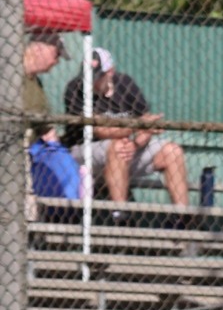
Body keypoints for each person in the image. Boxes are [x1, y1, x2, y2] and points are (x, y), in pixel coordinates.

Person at [62, 47, 191, 208]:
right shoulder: (75, 88)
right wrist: (139, 126)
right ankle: (120, 215)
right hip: (84, 152)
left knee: (173, 151)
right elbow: (101, 131)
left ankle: (184, 218)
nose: (91, 82)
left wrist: (135, 144)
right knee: (117, 146)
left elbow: (147, 128)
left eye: (97, 77)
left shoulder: (125, 84)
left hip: (126, 149)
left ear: (110, 72)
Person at [23, 31, 82, 201]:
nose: (56, 62)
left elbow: (45, 128)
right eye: (56, 55)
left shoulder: (36, 82)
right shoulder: (9, 72)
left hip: (28, 152)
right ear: (39, 49)